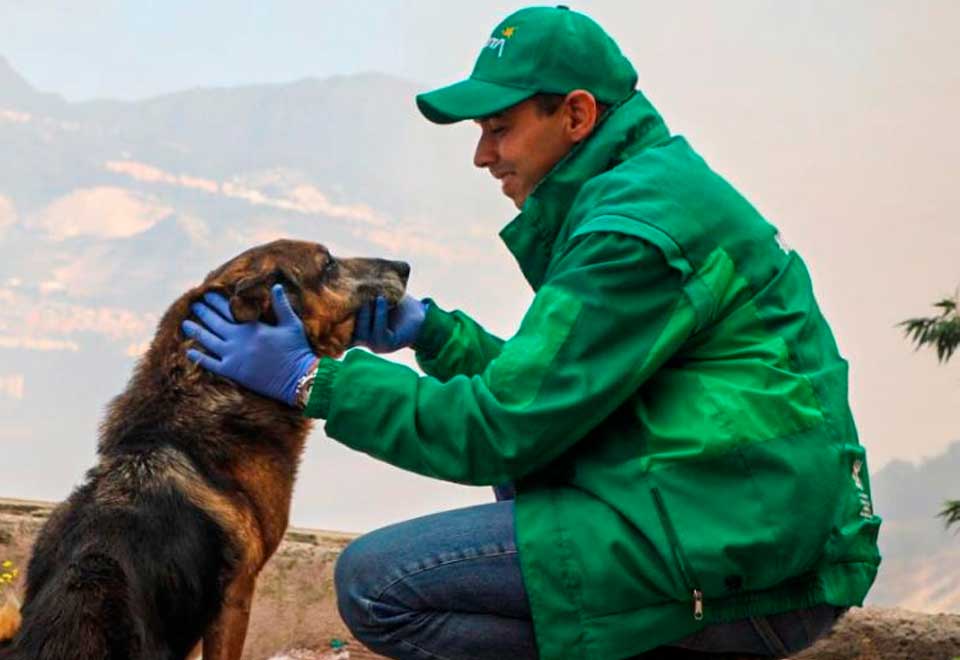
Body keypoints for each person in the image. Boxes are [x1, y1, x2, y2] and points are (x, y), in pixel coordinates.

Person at [182, 6, 881, 659]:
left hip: (744, 555)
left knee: (377, 583)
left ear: (576, 114)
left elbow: (499, 431)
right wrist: (434, 335)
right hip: (730, 513)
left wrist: (313, 381)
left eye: (499, 128)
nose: (482, 156)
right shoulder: (641, 191)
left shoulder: (629, 235)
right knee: (523, 485)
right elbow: (554, 393)